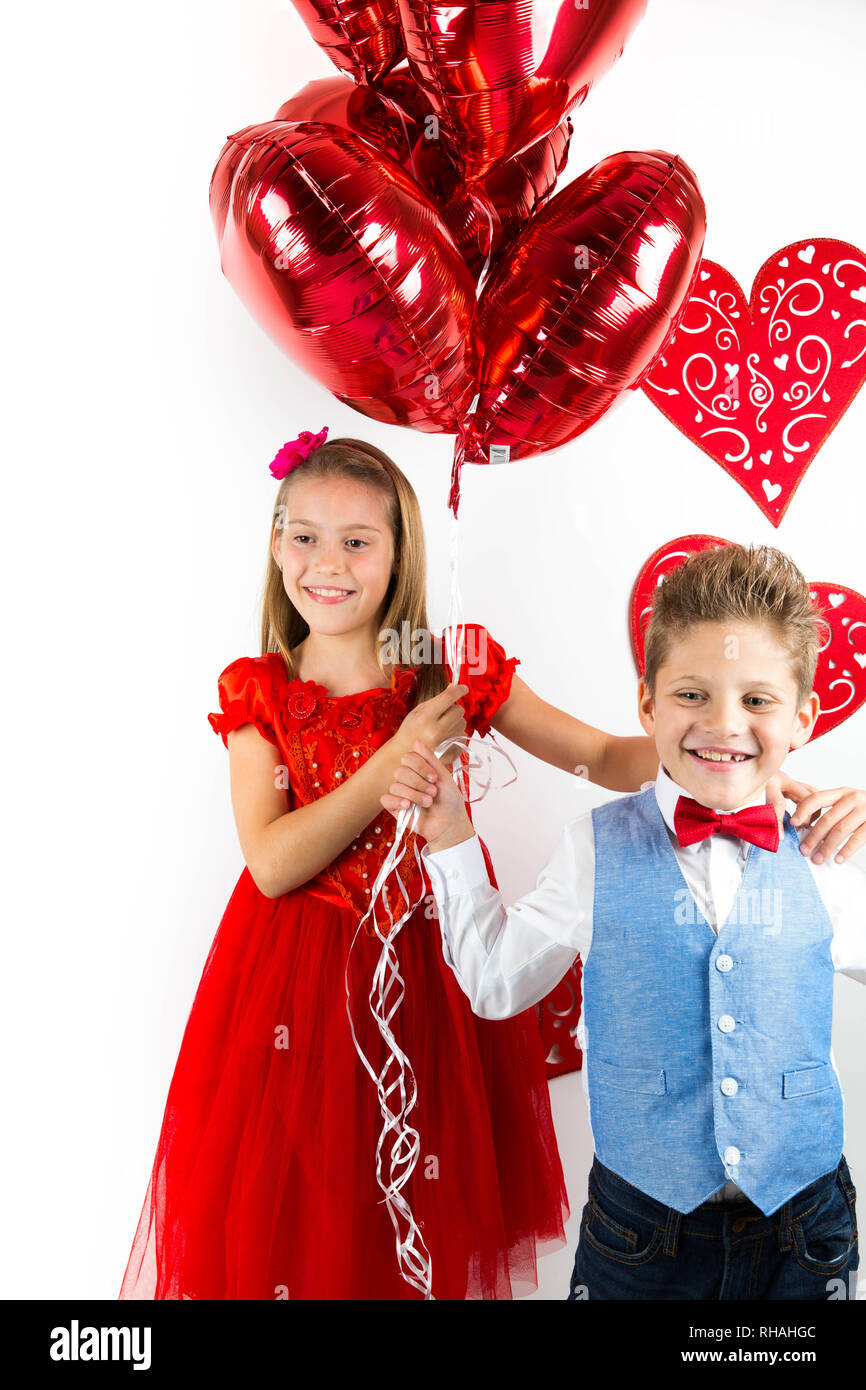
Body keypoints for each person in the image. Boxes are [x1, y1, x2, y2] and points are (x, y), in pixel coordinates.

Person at [393, 542, 866, 1300]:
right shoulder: (593, 849)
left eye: (757, 700)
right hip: (641, 1238)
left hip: (802, 1232)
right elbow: (494, 984)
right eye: (691, 695)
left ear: (803, 718)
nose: (723, 724)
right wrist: (448, 838)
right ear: (645, 705)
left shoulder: (829, 854)